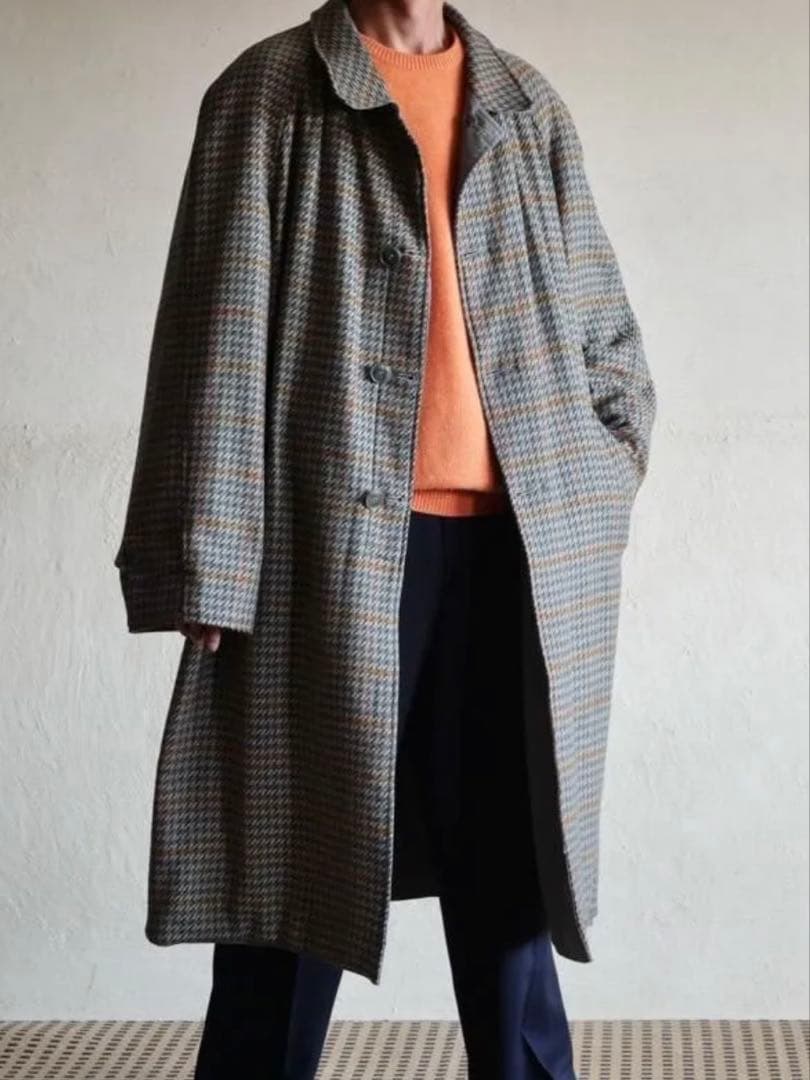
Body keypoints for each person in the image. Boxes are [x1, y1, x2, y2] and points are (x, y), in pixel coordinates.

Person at [113, 0, 656, 1076]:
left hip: (514, 560)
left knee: (511, 888)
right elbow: (214, 332)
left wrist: (598, 472)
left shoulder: (525, 106)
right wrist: (205, 555)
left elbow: (607, 335)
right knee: (290, 883)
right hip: (327, 554)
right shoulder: (269, 94)